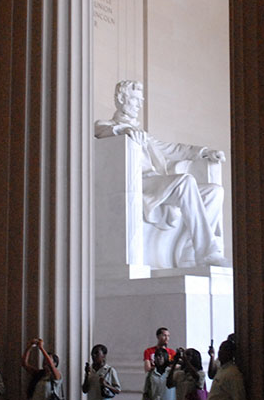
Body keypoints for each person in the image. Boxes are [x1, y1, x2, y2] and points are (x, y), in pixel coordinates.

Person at [94, 80, 228, 266]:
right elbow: (100, 130)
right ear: (121, 99)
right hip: (138, 183)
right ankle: (208, 253)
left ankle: (190, 252)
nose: (139, 104)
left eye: (140, 100)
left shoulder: (144, 135)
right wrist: (125, 129)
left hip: (159, 183)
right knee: (185, 182)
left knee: (215, 192)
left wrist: (204, 152)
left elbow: (174, 149)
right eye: (134, 100)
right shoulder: (107, 125)